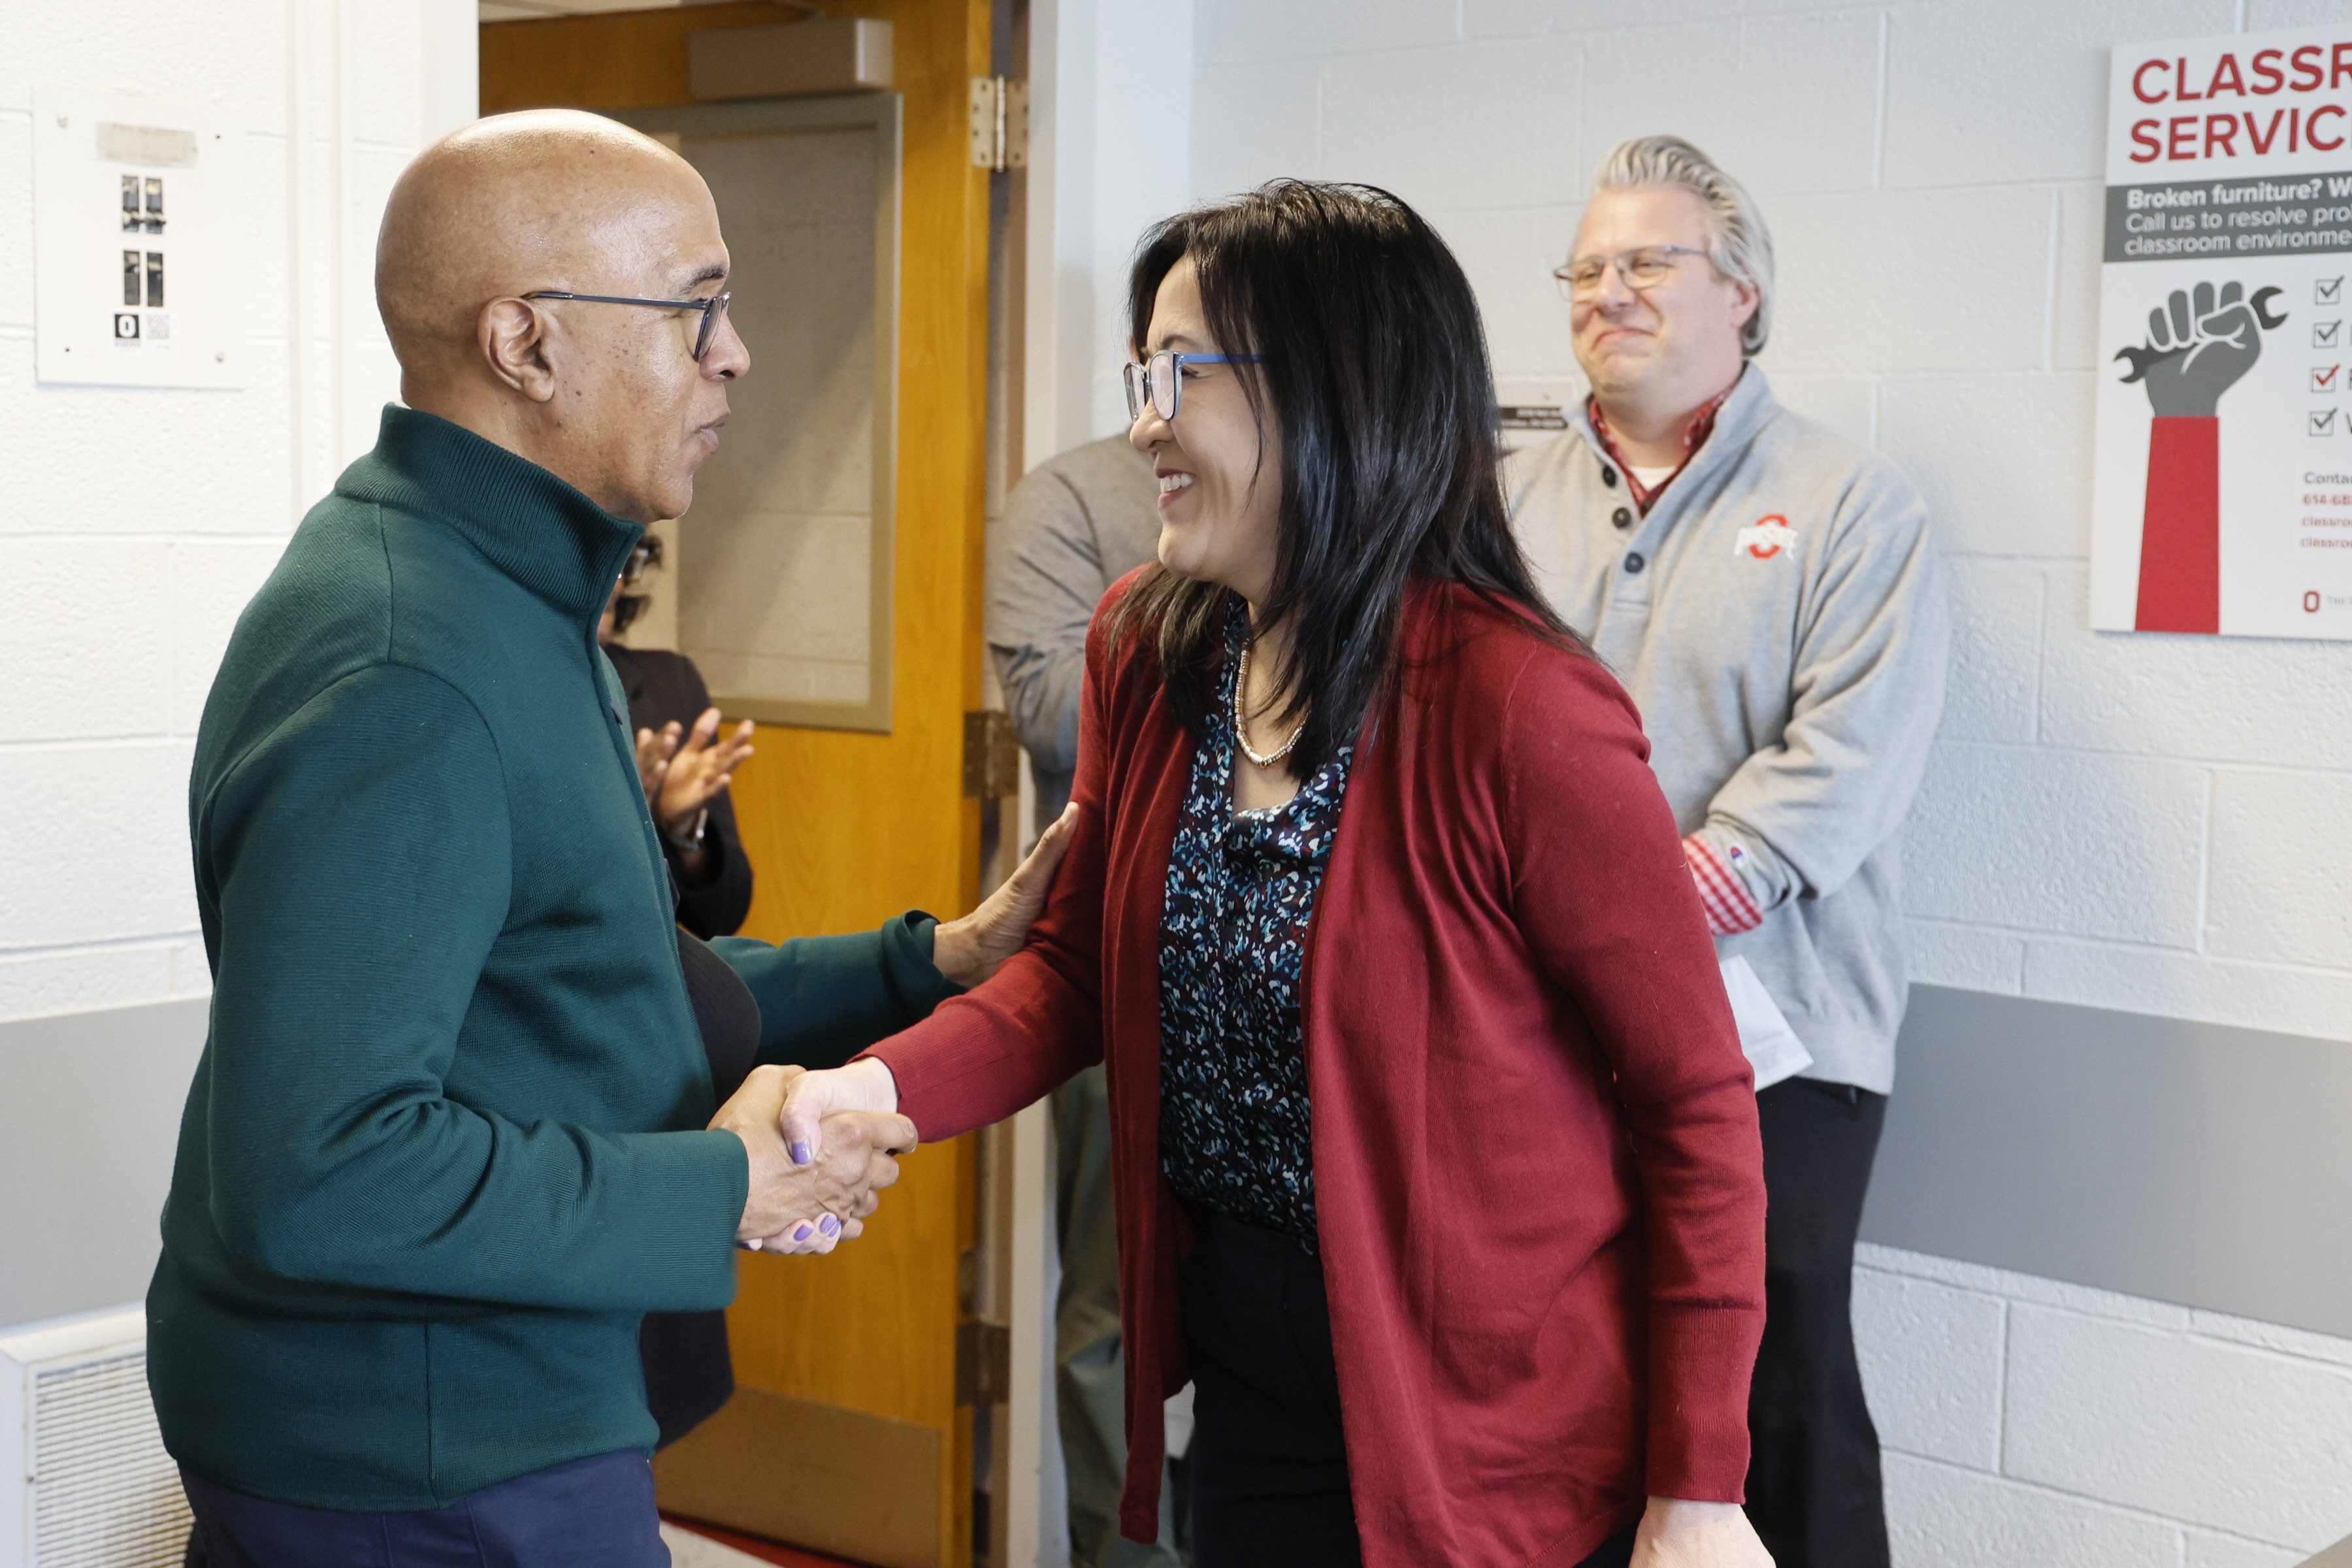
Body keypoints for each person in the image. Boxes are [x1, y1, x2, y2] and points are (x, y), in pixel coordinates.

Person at [776, 180, 1773, 1568]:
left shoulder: (1522, 708)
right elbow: (1074, 973)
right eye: (1145, 373)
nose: (1143, 425)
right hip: (1252, 1374)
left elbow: (1696, 1108)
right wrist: (874, 1091)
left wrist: (1699, 1488)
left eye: (1178, 375)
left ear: (1331, 393)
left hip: (1491, 1419)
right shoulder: (1151, 645)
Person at [153, 109, 1068, 1568]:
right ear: (528, 347)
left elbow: (583, 988)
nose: (736, 353)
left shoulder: (509, 587)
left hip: (487, 1414)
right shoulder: (410, 665)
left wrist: (931, 962)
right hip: (422, 1455)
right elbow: (320, 1169)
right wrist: (724, 1189)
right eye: (696, 306)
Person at [1506, 136, 1951, 1568]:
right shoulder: (1501, 504)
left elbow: (1844, 762)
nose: (1607, 292)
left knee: (1774, 1379)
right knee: (1582, 1378)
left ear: (1743, 293)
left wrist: (1633, 922)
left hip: (1782, 1042)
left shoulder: (1850, 504)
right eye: (1587, 266)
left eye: (1647, 262)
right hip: (1544, 1036)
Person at [988, 438, 1185, 1567]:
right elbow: (1055, 718)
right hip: (1115, 964)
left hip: (1303, 993)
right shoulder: (1067, 499)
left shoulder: (1323, 478)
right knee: (1113, 1316)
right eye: (1163, 368)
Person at [599, 534, 759, 943]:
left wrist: (683, 832)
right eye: (600, 553)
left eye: (625, 561)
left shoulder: (671, 684)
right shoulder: (502, 681)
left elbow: (723, 914)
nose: (617, 582)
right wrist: (625, 803)